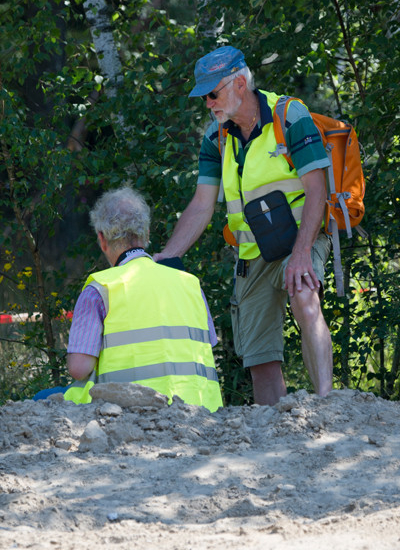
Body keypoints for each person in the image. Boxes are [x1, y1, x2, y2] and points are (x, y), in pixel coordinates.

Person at [153, 45, 333, 406]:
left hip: (304, 238)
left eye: (212, 94)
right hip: (251, 254)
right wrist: (165, 258)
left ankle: (327, 407)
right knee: (259, 357)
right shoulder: (214, 137)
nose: (208, 103)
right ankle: (270, 437)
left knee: (303, 292)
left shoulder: (289, 115)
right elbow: (202, 205)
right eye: (203, 97)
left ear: (239, 83)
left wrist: (300, 255)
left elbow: (318, 191)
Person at [37, 186, 223, 412]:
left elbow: (79, 368)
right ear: (146, 234)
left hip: (128, 412)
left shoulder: (101, 289)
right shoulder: (190, 284)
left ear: (102, 239)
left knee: (42, 399)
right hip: (201, 412)